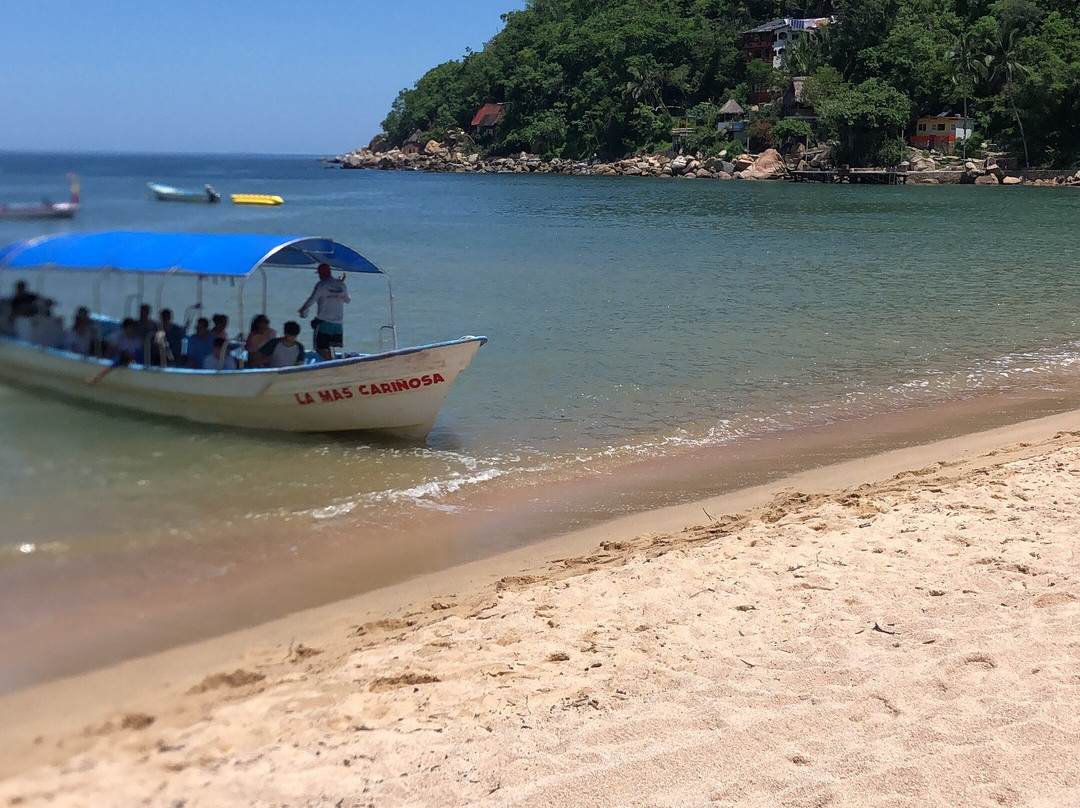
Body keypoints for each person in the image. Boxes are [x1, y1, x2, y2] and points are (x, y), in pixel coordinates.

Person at [298, 263, 350, 360]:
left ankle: (332, 363)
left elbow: (312, 299)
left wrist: (303, 308)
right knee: (329, 346)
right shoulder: (341, 285)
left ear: (321, 274)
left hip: (324, 323)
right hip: (338, 324)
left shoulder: (322, 285)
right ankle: (331, 362)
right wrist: (339, 290)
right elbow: (348, 300)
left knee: (319, 347)